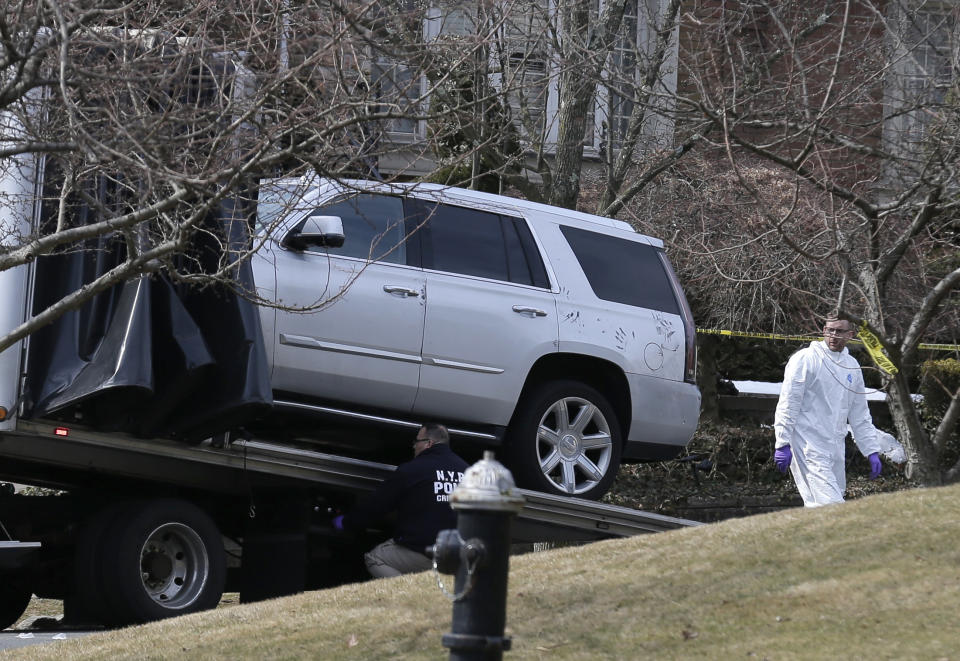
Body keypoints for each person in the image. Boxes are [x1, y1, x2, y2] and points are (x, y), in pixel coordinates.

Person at [773, 313, 885, 507]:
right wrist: (782, 442)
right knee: (832, 506)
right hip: (808, 445)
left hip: (835, 446)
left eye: (839, 331)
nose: (833, 336)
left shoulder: (851, 366)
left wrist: (871, 450)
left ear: (850, 334)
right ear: (823, 331)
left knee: (818, 506)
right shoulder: (805, 359)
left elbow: (859, 413)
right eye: (830, 330)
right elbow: (788, 403)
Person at [332, 423, 469, 577]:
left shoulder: (412, 469)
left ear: (428, 444)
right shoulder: (468, 471)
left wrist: (347, 522)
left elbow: (376, 506)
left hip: (426, 553)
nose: (413, 446)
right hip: (459, 557)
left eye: (416, 441)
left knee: (375, 558)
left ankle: (410, 597)